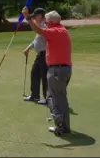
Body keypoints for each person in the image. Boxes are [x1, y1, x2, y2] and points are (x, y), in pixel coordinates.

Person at [22, 7, 72, 136]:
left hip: (56, 70)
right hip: (65, 69)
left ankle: (60, 126)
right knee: (61, 99)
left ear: (51, 22)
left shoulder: (54, 31)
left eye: (48, 21)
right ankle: (65, 126)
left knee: (53, 98)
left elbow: (38, 30)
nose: (47, 23)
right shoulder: (63, 30)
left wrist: (27, 17)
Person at [23, 8, 48, 105]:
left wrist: (28, 17)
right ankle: (35, 95)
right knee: (34, 74)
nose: (34, 18)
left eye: (35, 16)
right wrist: (28, 48)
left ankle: (47, 98)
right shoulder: (39, 26)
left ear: (41, 16)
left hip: (45, 54)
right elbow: (36, 41)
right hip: (40, 55)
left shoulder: (44, 27)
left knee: (44, 77)